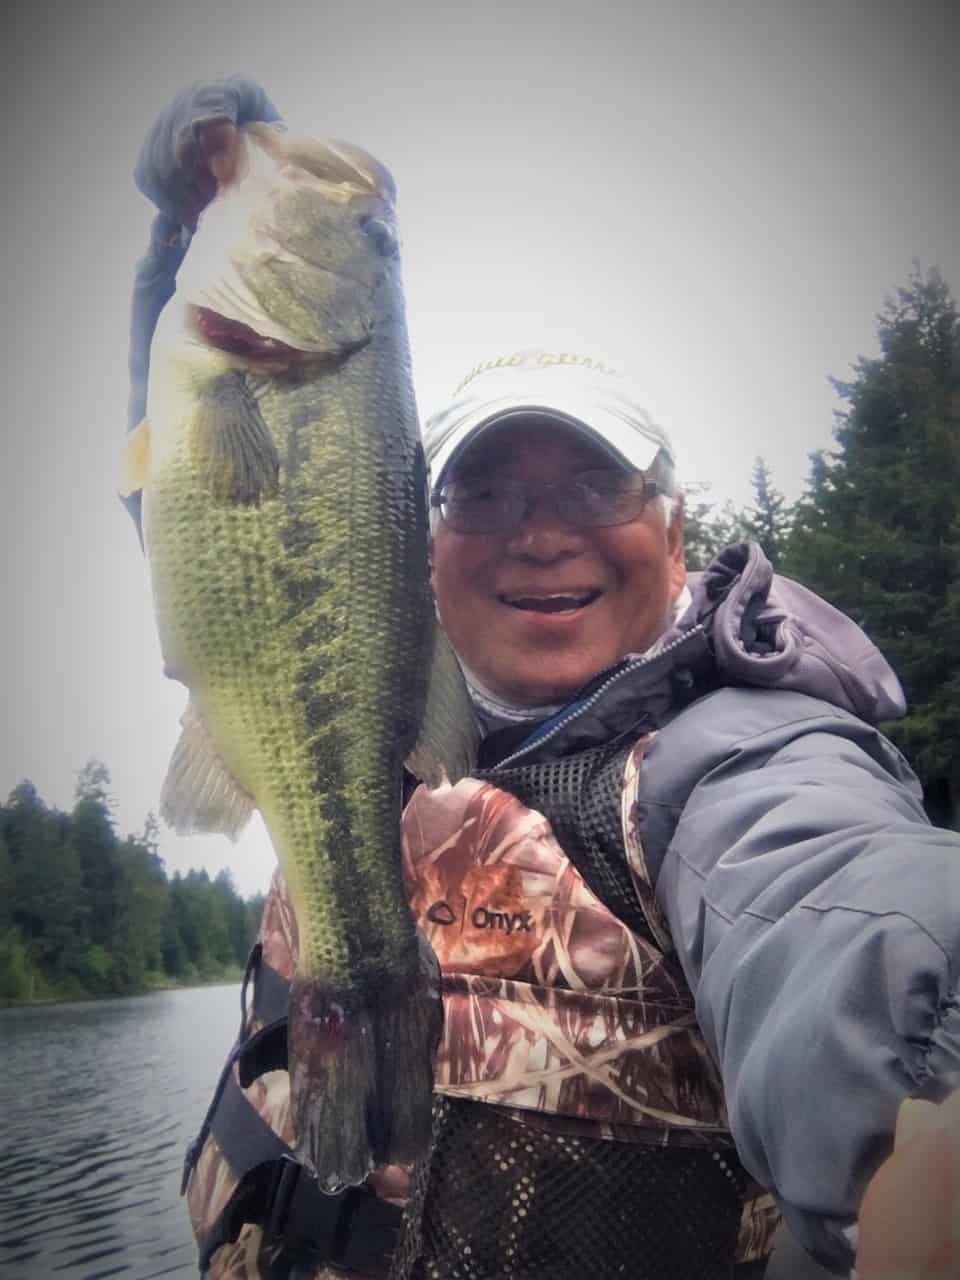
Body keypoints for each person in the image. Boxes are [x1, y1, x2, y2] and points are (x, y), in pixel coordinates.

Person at [126, 80, 960, 1280]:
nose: (540, 531)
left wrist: (924, 1082)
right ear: (414, 549)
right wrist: (172, 257)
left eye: (592, 485)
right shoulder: (362, 716)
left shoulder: (729, 763)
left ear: (675, 537)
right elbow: (228, 550)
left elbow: (839, 904)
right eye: (486, 492)